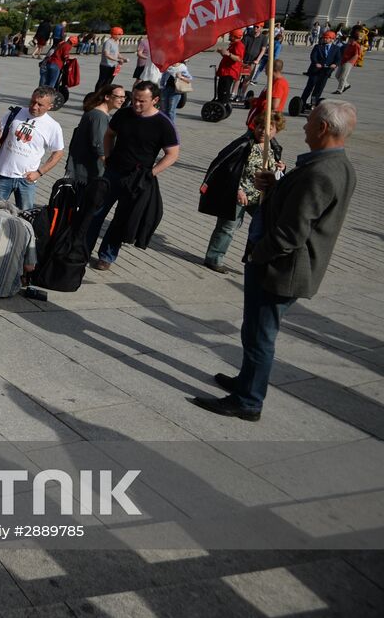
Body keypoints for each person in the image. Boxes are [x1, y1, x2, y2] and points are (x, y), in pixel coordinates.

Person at [194, 101, 357, 420]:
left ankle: (248, 401)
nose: (305, 125)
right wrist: (276, 187)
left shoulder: (320, 172)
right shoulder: (337, 165)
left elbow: (293, 231)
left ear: (323, 128)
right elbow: (299, 209)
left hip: (281, 269)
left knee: (260, 336)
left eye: (309, 121)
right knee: (254, 331)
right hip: (283, 266)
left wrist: (258, 253)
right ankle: (246, 381)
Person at [86, 80, 180, 271]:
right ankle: (83, 250)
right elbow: (109, 134)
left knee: (121, 219)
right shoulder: (123, 114)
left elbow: (173, 154)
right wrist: (107, 156)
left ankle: (107, 256)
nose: (136, 104)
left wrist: (152, 172)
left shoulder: (163, 123)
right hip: (113, 172)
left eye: (142, 101)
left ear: (154, 100)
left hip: (137, 179)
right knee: (95, 212)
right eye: (134, 99)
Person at [200, 111, 284, 273]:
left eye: (269, 128)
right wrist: (237, 190)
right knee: (227, 228)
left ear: (276, 131)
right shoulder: (244, 144)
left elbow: (273, 172)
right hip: (239, 194)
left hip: (260, 196)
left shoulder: (274, 147)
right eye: (260, 126)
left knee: (264, 226)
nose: (262, 131)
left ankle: (254, 260)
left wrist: (281, 167)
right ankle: (214, 258)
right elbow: (227, 168)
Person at [0, 86, 65, 210]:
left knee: (25, 217)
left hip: (27, 180)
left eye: (40, 104)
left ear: (50, 106)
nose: (34, 106)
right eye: (32, 102)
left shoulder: (53, 126)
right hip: (3, 174)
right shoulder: (15, 113)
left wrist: (39, 173)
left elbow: (58, 153)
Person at [65, 84, 125, 183]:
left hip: (84, 169)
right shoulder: (99, 116)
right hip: (86, 171)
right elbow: (99, 145)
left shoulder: (97, 113)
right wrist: (109, 166)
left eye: (124, 97)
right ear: (107, 97)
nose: (122, 100)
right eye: (119, 97)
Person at [301, 30, 339, 109]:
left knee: (318, 89)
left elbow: (338, 59)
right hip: (315, 71)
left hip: (325, 72)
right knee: (309, 87)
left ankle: (313, 104)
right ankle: (302, 102)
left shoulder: (336, 48)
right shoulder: (318, 46)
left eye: (327, 38)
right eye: (324, 38)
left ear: (332, 39)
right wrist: (316, 63)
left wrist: (335, 64)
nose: (324, 39)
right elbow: (313, 56)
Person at [214, 29, 246, 103]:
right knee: (221, 91)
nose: (229, 36)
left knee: (224, 91)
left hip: (229, 72)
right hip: (225, 71)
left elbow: (238, 58)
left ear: (234, 36)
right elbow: (228, 57)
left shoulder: (239, 45)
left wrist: (229, 54)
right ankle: (221, 103)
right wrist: (222, 52)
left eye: (230, 35)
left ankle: (223, 104)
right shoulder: (233, 44)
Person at [158, 60, 192, 127]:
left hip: (176, 91)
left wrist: (181, 77)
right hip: (166, 89)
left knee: (171, 110)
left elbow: (190, 79)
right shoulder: (168, 66)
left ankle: (171, 126)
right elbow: (163, 77)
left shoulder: (182, 67)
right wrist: (161, 87)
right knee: (163, 109)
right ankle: (163, 125)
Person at [96, 26, 127, 91]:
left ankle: (104, 93)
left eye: (121, 34)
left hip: (113, 65)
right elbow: (106, 54)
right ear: (114, 34)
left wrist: (123, 58)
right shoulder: (108, 42)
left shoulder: (116, 42)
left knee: (109, 81)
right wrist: (117, 60)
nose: (121, 36)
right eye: (119, 34)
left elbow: (117, 53)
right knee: (102, 80)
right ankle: (96, 94)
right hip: (105, 65)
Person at [334, 29, 362, 93]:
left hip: (349, 62)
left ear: (354, 39)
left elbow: (356, 55)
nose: (349, 39)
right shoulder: (348, 45)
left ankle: (339, 90)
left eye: (350, 38)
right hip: (343, 61)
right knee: (337, 75)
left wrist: (350, 62)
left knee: (343, 76)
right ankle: (346, 85)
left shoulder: (356, 45)